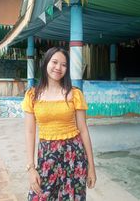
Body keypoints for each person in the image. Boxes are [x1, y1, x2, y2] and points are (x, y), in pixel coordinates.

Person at [22, 47, 96, 201]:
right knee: (39, 196)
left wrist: (91, 167)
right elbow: (30, 132)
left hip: (74, 155)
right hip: (47, 156)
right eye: (54, 62)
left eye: (64, 64)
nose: (58, 68)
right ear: (46, 63)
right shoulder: (32, 96)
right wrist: (31, 168)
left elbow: (83, 130)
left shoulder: (75, 94)